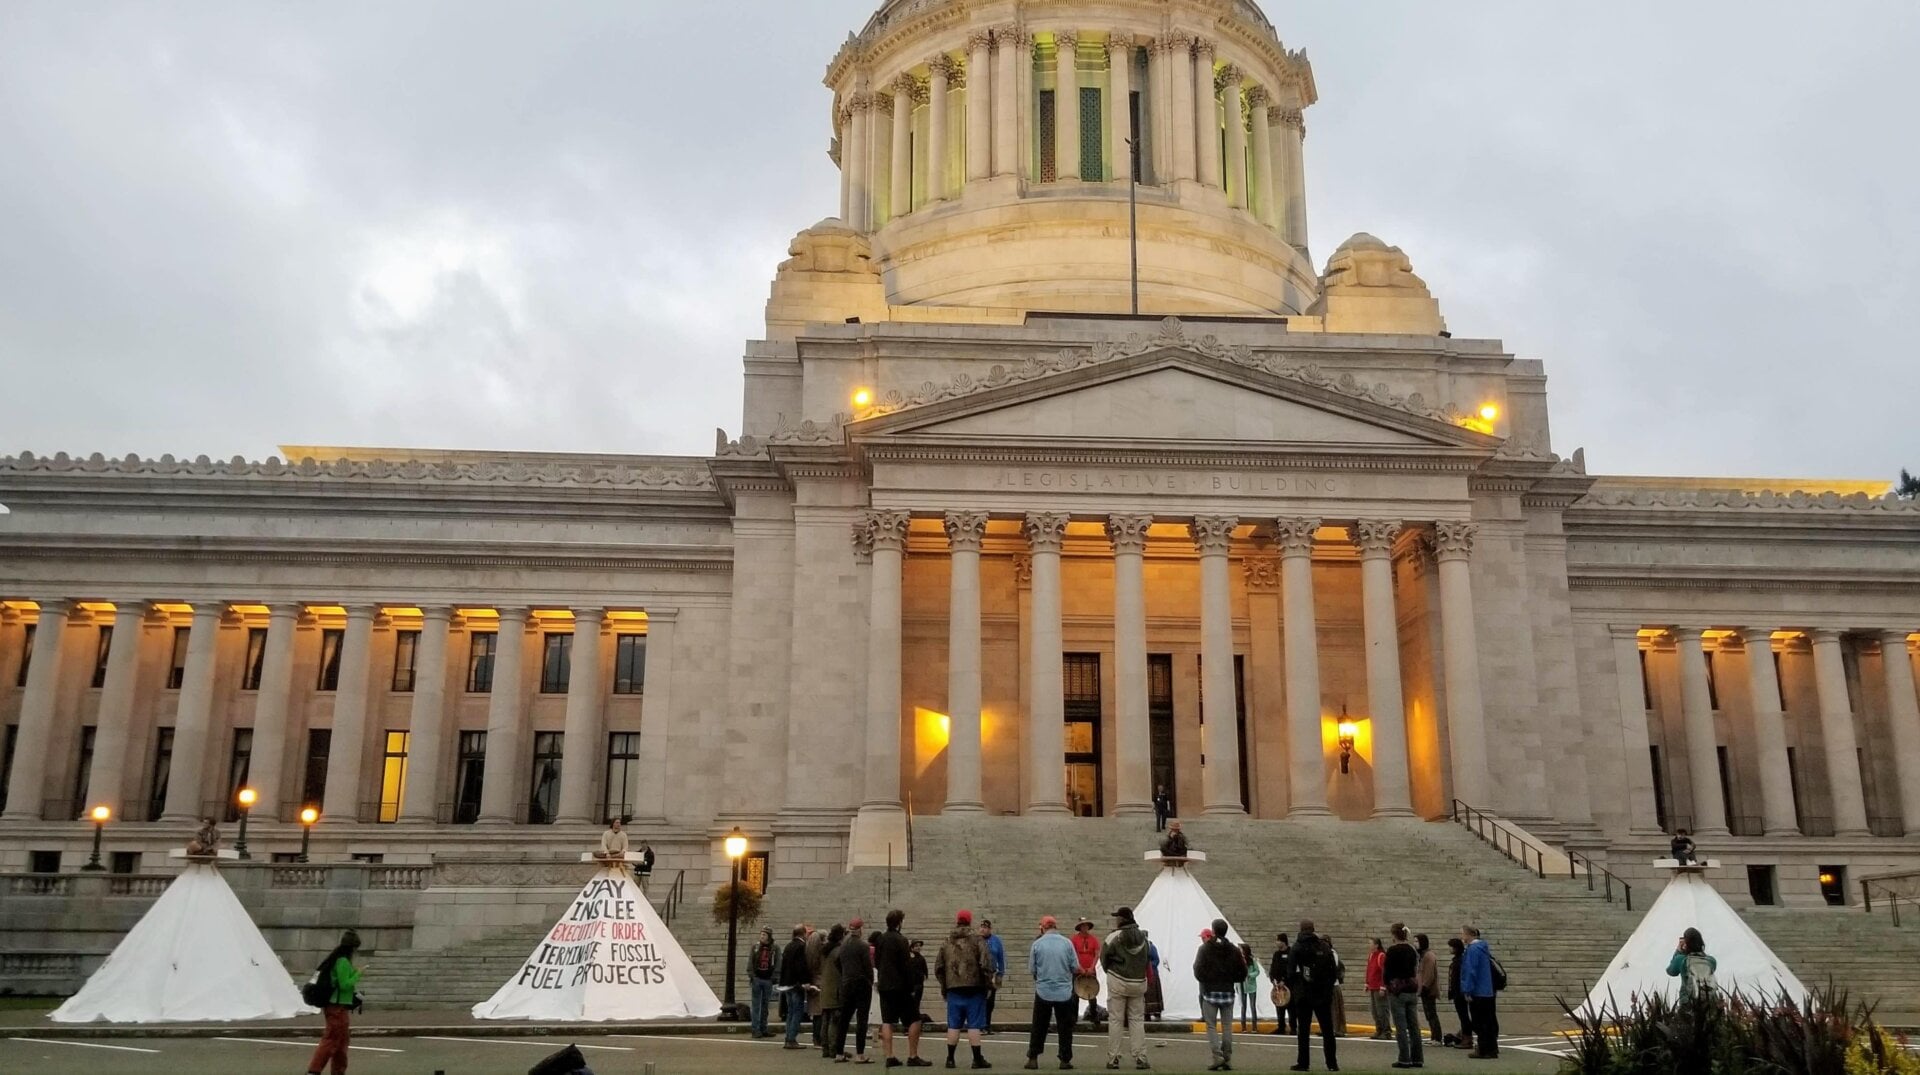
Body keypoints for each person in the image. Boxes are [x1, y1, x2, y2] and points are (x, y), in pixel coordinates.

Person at [934, 909, 995, 1070]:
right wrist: (988, 983)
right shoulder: (977, 940)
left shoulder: (947, 941)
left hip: (954, 989)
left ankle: (950, 1059)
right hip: (974, 989)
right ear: (969, 921)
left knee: (953, 1025)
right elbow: (986, 964)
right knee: (974, 1025)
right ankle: (976, 1059)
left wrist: (944, 985)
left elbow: (938, 967)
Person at [877, 910, 930, 1068]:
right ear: (899, 922)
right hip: (900, 986)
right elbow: (906, 967)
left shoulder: (880, 939)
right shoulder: (901, 940)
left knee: (887, 1020)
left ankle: (889, 1055)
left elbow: (877, 961)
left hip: (884, 985)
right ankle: (913, 1055)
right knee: (915, 1019)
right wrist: (910, 986)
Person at [1101, 906, 1152, 1071]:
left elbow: (1104, 959)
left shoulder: (1114, 937)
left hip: (1118, 980)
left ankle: (1114, 1057)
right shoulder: (1143, 938)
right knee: (1136, 1020)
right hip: (1138, 982)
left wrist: (1111, 970)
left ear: (1121, 919)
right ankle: (1140, 1057)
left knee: (1116, 1020)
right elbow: (1147, 958)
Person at [304, 929, 361, 1075]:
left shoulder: (337, 959)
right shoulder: (342, 961)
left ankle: (338, 1071)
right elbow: (344, 984)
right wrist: (358, 974)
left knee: (341, 1042)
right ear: (352, 948)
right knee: (331, 1039)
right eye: (355, 949)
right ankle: (314, 1070)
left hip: (339, 1006)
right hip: (336, 1007)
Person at [1025, 915, 1078, 1071]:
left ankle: (1033, 1057)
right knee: (1065, 1027)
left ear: (1042, 927)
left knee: (1039, 1026)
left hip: (1043, 990)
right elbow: (1074, 966)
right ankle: (1065, 1059)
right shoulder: (1067, 943)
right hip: (1064, 991)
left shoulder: (1037, 944)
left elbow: (1032, 969)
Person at [1286, 920, 1338, 1073]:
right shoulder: (1324, 946)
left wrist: (1297, 985)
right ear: (1313, 929)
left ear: (1301, 930)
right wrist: (1327, 989)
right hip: (1322, 992)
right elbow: (1333, 971)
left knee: (1303, 1030)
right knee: (1327, 1030)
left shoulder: (1297, 947)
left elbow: (1290, 971)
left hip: (1304, 994)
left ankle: (1303, 1062)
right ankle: (1332, 1063)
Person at [1193, 921, 1244, 1072]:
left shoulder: (1205, 948)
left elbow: (1197, 969)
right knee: (1227, 1025)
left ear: (1213, 931)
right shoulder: (1233, 950)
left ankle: (1217, 1056)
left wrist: (1206, 979)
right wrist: (1232, 978)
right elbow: (1242, 970)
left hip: (1210, 992)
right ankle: (1227, 1057)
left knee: (1211, 1025)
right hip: (1228, 991)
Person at [1383, 924, 1423, 1071]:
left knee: (1401, 1027)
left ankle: (1404, 1058)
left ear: (1394, 935)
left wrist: (1387, 985)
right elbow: (1415, 968)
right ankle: (1418, 1058)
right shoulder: (1412, 950)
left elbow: (1387, 971)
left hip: (1397, 989)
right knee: (1414, 1026)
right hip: (1411, 988)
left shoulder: (1392, 951)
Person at [837, 918, 876, 1063]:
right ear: (860, 929)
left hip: (846, 983)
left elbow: (837, 962)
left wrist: (844, 974)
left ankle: (839, 1052)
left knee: (844, 1019)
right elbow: (867, 966)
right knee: (862, 1018)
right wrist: (870, 980)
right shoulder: (862, 945)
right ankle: (860, 1053)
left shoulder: (843, 945)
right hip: (861, 983)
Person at [1460, 926, 1498, 1059]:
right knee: (1488, 1021)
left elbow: (1470, 971)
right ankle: (1492, 1048)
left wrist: (1467, 990)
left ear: (1469, 935)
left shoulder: (1473, 950)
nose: (1462, 937)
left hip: (1477, 991)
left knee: (1479, 1022)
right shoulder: (1483, 948)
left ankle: (1483, 1049)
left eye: (1463, 934)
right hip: (1487, 990)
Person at [780, 924, 814, 1049]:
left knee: (790, 1012)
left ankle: (788, 1037)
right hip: (796, 984)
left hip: (787, 983)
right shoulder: (801, 946)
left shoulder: (789, 946)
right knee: (797, 1011)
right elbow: (801, 966)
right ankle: (792, 1038)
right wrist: (805, 981)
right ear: (803, 934)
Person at [1667, 927, 1718, 1003]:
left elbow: (1671, 971)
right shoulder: (1711, 961)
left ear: (1686, 944)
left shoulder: (1681, 960)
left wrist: (1679, 950)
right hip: (1709, 1002)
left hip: (1688, 1002)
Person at [821, 924, 848, 1060]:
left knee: (825, 1019)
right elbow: (843, 970)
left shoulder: (825, 950)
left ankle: (825, 1048)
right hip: (836, 988)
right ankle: (834, 1048)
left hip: (825, 987)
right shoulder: (838, 951)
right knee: (835, 1020)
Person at [1070, 918, 1103, 1025]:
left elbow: (1097, 954)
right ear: (1079, 927)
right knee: (1075, 995)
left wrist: (1092, 968)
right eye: (1082, 926)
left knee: (1092, 993)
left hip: (1091, 970)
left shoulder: (1093, 939)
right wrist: (1080, 968)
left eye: (1086, 926)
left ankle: (1094, 1015)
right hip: (1078, 970)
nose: (1085, 928)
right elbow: (1072, 955)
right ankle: (1073, 1017)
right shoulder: (1074, 940)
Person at [749, 926, 780, 1039]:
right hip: (757, 979)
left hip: (768, 979)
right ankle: (755, 1029)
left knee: (765, 1005)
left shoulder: (775, 948)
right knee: (756, 1005)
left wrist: (774, 977)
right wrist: (752, 976)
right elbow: (750, 962)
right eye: (761, 934)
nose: (761, 936)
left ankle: (763, 1028)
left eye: (764, 935)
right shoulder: (755, 947)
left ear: (769, 937)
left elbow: (778, 963)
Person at [1444, 937, 1472, 1052]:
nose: (1449, 948)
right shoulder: (1458, 960)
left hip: (1460, 992)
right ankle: (1465, 1036)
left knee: (1464, 1016)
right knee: (1463, 1016)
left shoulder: (1460, 961)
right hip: (1457, 991)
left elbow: (1460, 977)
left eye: (1451, 946)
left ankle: (1467, 1038)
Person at [1415, 934, 1442, 1046]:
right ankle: (1434, 1036)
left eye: (1416, 941)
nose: (1415, 943)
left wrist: (1425, 986)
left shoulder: (1428, 956)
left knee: (1431, 1014)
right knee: (1429, 1014)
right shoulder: (1423, 955)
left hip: (1429, 989)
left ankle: (1437, 1038)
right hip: (1425, 988)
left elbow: (1429, 974)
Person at [981, 919, 1006, 1034]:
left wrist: (1001, 973)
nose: (983, 929)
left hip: (992, 974)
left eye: (985, 927)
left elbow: (1000, 957)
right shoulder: (976, 940)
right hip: (979, 975)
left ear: (990, 929)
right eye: (981, 927)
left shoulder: (996, 941)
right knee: (980, 1001)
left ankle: (987, 1025)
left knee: (990, 1001)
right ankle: (980, 1025)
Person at [808, 922, 831, 1046]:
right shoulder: (823, 953)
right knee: (821, 1013)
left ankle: (816, 1037)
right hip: (821, 982)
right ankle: (819, 1038)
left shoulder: (811, 953)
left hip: (814, 982)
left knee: (816, 1014)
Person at [1365, 938, 1390, 1040]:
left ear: (1376, 945)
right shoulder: (1371, 956)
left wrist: (1383, 987)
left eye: (1370, 943)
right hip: (1372, 986)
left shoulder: (1381, 956)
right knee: (1374, 1010)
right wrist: (1367, 983)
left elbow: (1385, 972)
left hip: (1379, 987)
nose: (1369, 945)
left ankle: (1386, 1031)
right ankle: (1379, 1029)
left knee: (1382, 1010)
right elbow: (1369, 970)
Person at [1269, 933, 1293, 1036]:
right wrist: (1273, 979)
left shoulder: (1291, 953)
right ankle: (1281, 1026)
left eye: (1278, 940)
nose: (1277, 942)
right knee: (1279, 1006)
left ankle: (1293, 1027)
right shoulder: (1276, 954)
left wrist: (1285, 980)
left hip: (1289, 985)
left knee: (1291, 1008)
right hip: (1278, 986)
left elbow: (1291, 969)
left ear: (1283, 941)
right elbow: (1273, 968)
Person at [1238, 944, 1260, 1033]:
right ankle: (1243, 1027)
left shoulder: (1252, 960)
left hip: (1251, 985)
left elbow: (1257, 971)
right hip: (1242, 985)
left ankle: (1254, 1027)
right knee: (1243, 1006)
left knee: (1252, 1006)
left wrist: (1250, 975)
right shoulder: (1239, 960)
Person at [1143, 940, 1163, 1022]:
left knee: (1153, 994)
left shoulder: (1151, 947)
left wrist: (1148, 965)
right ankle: (1146, 1013)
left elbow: (1156, 960)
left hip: (1152, 973)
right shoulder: (1142, 948)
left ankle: (1156, 1012)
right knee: (1146, 995)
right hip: (1144, 974)